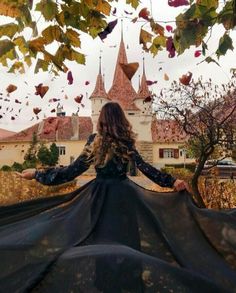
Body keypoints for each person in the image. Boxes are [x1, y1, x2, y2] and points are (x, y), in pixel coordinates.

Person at [0, 102, 235, 292]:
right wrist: (172, 181)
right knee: (127, 249)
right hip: (124, 201)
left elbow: (70, 172)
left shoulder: (95, 142)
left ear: (101, 120)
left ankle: (106, 287)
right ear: (122, 120)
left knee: (103, 251)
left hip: (101, 201)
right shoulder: (127, 142)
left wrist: (38, 174)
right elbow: (146, 168)